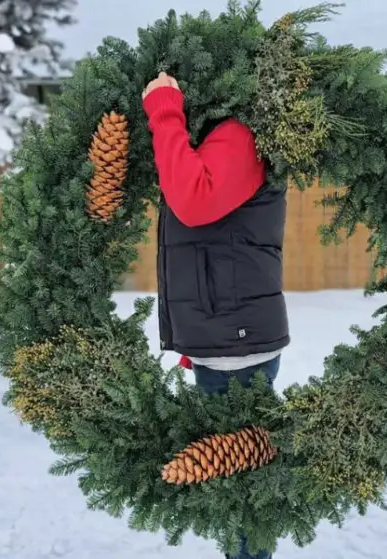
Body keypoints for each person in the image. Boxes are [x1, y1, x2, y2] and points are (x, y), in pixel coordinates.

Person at [142, 71, 289, 559]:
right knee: (237, 487)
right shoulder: (228, 134)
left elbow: (194, 199)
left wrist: (165, 110)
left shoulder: (239, 133)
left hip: (235, 341)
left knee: (240, 492)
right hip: (227, 333)